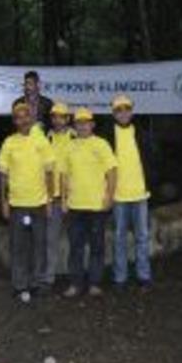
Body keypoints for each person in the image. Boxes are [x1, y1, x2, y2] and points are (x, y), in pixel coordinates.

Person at [0, 103, 55, 303]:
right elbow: (3, 175)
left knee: (39, 246)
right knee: (18, 248)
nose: (22, 120)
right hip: (17, 205)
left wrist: (49, 200)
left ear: (31, 117)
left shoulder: (42, 140)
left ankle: (38, 283)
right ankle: (19, 285)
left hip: (39, 203)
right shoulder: (9, 142)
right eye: (18, 117)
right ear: (14, 120)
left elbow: (49, 172)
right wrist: (4, 201)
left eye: (25, 116)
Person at [59, 107, 117, 298]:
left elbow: (112, 172)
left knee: (97, 247)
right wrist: (63, 200)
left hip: (97, 206)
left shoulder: (101, 144)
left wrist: (109, 197)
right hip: (75, 206)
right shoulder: (69, 146)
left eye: (86, 122)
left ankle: (94, 283)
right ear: (74, 126)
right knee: (75, 247)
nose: (82, 126)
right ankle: (75, 284)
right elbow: (64, 175)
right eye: (79, 123)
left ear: (92, 124)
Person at [103, 94, 155, 290]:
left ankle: (144, 276)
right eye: (119, 110)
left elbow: (151, 160)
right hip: (118, 196)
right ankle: (120, 278)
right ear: (113, 113)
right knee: (119, 239)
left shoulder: (141, 133)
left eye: (126, 109)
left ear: (132, 111)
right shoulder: (107, 135)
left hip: (141, 195)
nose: (123, 113)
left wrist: (151, 184)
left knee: (142, 238)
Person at [44, 102, 74, 288]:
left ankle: (74, 278)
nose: (57, 120)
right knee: (50, 240)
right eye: (54, 117)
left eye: (61, 116)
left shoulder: (76, 137)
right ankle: (49, 278)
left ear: (67, 118)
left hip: (75, 198)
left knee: (75, 240)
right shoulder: (45, 138)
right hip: (53, 198)